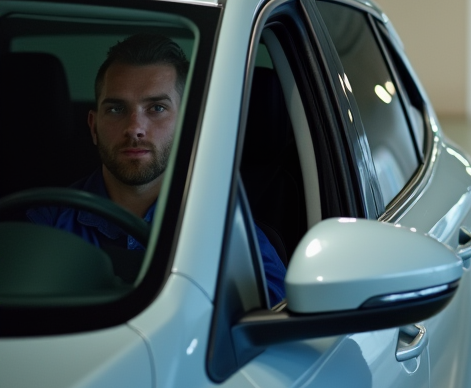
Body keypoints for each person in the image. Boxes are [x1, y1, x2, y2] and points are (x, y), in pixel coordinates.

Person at [28, 33, 287, 306]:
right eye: (116, 109)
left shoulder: (222, 226)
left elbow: (273, 323)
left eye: (156, 108)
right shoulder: (46, 224)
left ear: (188, 124)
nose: (134, 128)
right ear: (93, 127)